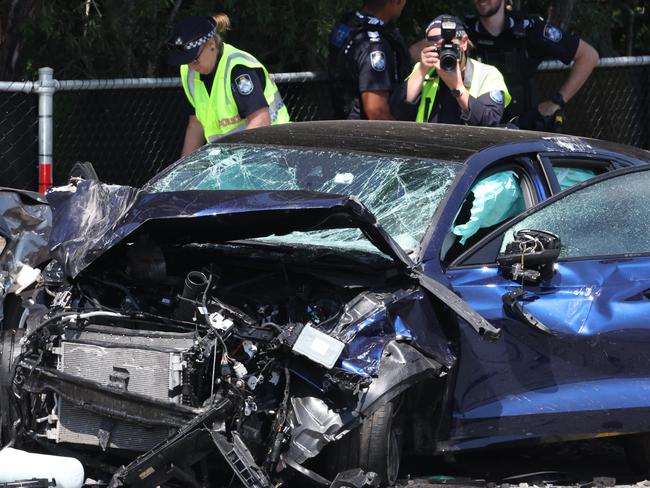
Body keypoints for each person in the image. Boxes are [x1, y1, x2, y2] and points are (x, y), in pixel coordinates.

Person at [168, 14, 290, 157]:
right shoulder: (189, 73)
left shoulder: (238, 69)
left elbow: (260, 121)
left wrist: (235, 162)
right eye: (186, 61)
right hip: (231, 159)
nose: (190, 67)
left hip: (273, 153)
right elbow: (196, 124)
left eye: (194, 60)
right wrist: (185, 169)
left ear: (211, 45)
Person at [466, 0, 599, 130]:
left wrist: (558, 101)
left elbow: (588, 55)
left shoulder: (529, 29)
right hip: (477, 129)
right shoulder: (464, 34)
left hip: (524, 131)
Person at [393, 15, 510, 126]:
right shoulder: (424, 69)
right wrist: (421, 71)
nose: (445, 52)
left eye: (450, 45)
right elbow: (397, 112)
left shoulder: (487, 74)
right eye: (439, 48)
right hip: (427, 144)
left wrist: (458, 88)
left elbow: (490, 121)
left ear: (464, 43)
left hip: (469, 146)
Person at [327, 0, 411, 120]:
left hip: (341, 124)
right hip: (364, 134)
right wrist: (404, 137)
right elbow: (377, 111)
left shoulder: (348, 25)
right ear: (395, 1)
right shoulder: (375, 46)